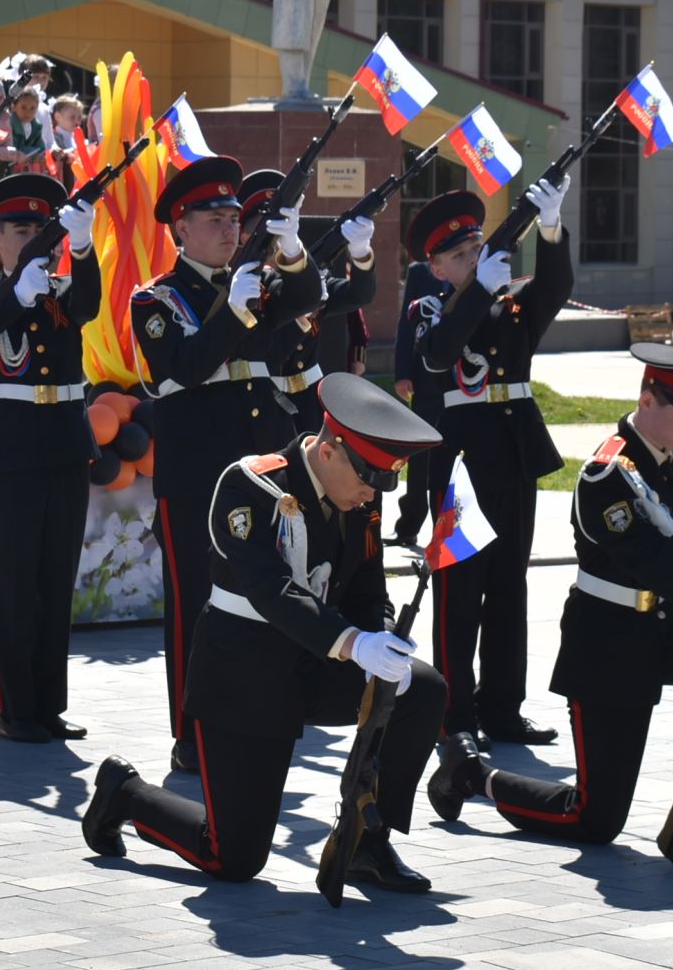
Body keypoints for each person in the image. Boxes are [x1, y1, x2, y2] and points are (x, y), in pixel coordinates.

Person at [426, 344, 673, 860]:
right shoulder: (607, 475)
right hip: (610, 644)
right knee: (595, 819)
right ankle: (473, 776)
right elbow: (652, 562)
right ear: (648, 400)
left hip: (668, 631)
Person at [81, 373, 445, 891]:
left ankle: (368, 841)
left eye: (382, 482)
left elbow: (366, 587)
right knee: (233, 857)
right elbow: (270, 588)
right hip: (244, 674)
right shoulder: (251, 484)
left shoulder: (358, 498)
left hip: (314, 664)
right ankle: (126, 793)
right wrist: (355, 644)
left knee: (421, 689)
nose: (372, 492)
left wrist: (382, 638)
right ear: (328, 451)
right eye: (369, 476)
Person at [131, 156, 322, 770]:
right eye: (212, 218)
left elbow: (307, 298)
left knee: (269, 590)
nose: (228, 228)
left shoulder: (255, 283)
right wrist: (233, 312)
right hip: (198, 475)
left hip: (263, 465)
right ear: (180, 228)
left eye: (234, 217)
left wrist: (291, 250)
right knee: (197, 606)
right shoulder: (155, 299)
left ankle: (259, 716)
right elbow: (184, 368)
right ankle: (192, 735)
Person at [410, 178, 573, 747]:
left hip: (514, 452)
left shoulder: (510, 301)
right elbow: (437, 353)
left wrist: (550, 228)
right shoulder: (428, 309)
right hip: (462, 466)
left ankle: (503, 707)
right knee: (459, 594)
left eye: (478, 248)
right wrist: (477, 290)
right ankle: (453, 714)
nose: (474, 258)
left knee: (510, 587)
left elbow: (555, 288)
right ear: (436, 269)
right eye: (459, 255)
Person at [0, 175, 99, 743]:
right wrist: (14, 296)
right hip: (14, 442)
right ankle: (15, 707)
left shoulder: (63, 288)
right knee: (14, 579)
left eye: (43, 226)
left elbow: (89, 302)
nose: (35, 235)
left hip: (64, 436)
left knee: (55, 576)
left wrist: (81, 250)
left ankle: (48, 703)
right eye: (21, 227)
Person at [235, 169, 377, 433]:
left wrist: (360, 253)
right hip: (266, 400)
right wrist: (301, 316)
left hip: (312, 398)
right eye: (264, 228)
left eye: (284, 225)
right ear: (245, 236)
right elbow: (265, 356)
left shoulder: (312, 278)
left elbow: (360, 295)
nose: (275, 237)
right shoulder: (241, 288)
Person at [391, 258, 446, 548]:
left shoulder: (479, 269)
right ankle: (409, 525)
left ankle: (450, 527)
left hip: (463, 383)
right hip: (425, 381)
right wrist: (402, 373)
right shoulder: (419, 272)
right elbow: (406, 324)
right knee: (420, 454)